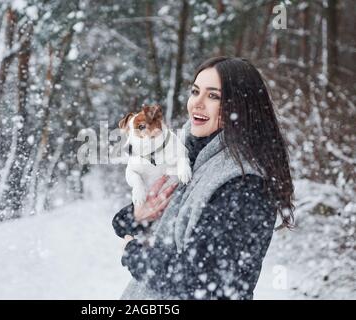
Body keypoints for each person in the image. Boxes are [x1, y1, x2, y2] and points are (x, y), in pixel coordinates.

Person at [112, 56, 294, 300]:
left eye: (213, 96)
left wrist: (133, 253)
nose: (196, 104)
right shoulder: (186, 154)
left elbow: (201, 280)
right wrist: (137, 215)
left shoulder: (244, 183)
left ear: (240, 106)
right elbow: (123, 224)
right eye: (195, 91)